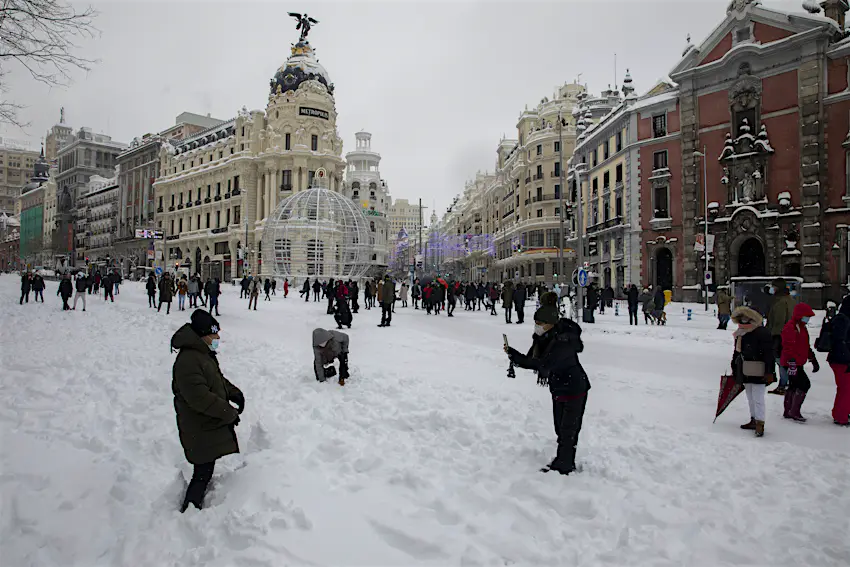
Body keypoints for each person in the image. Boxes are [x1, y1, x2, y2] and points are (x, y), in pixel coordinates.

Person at [505, 292, 590, 474]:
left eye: (540, 323)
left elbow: (543, 364)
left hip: (574, 389)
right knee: (560, 427)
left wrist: (517, 358)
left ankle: (565, 465)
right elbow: (531, 359)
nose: (537, 326)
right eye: (536, 322)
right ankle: (563, 459)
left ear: (550, 324)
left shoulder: (562, 342)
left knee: (568, 430)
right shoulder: (543, 338)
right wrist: (513, 354)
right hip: (558, 387)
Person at [172, 309, 244, 512]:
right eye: (214, 334)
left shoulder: (202, 355)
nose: (218, 338)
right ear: (203, 334)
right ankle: (189, 511)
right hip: (198, 426)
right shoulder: (188, 361)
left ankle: (192, 509)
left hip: (204, 426)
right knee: (202, 472)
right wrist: (228, 412)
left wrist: (234, 393)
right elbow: (200, 398)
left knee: (205, 468)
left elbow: (216, 380)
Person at [730, 306, 776, 437]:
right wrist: (735, 368)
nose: (743, 323)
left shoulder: (762, 333)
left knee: (758, 398)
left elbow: (769, 354)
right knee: (750, 397)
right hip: (745, 369)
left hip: (759, 369)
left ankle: (760, 423)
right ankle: (754, 419)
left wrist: (769, 372)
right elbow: (736, 353)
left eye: (746, 320)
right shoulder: (740, 334)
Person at [780, 303, 818, 422]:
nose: (808, 319)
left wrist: (812, 358)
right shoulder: (791, 327)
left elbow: (805, 346)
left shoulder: (801, 327)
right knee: (804, 384)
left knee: (794, 385)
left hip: (797, 362)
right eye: (807, 316)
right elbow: (788, 346)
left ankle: (789, 410)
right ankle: (793, 411)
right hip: (791, 363)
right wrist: (791, 362)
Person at [767, 278, 796, 396]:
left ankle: (783, 385)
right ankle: (787, 384)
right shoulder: (790, 300)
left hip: (779, 335)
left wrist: (770, 334)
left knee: (780, 360)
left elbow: (778, 321)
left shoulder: (780, 302)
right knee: (786, 360)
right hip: (789, 334)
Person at [827, 295, 850, 426]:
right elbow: (840, 343)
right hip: (841, 360)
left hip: (840, 358)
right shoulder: (843, 320)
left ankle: (843, 412)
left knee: (845, 388)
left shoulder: (842, 319)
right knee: (845, 389)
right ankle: (841, 415)